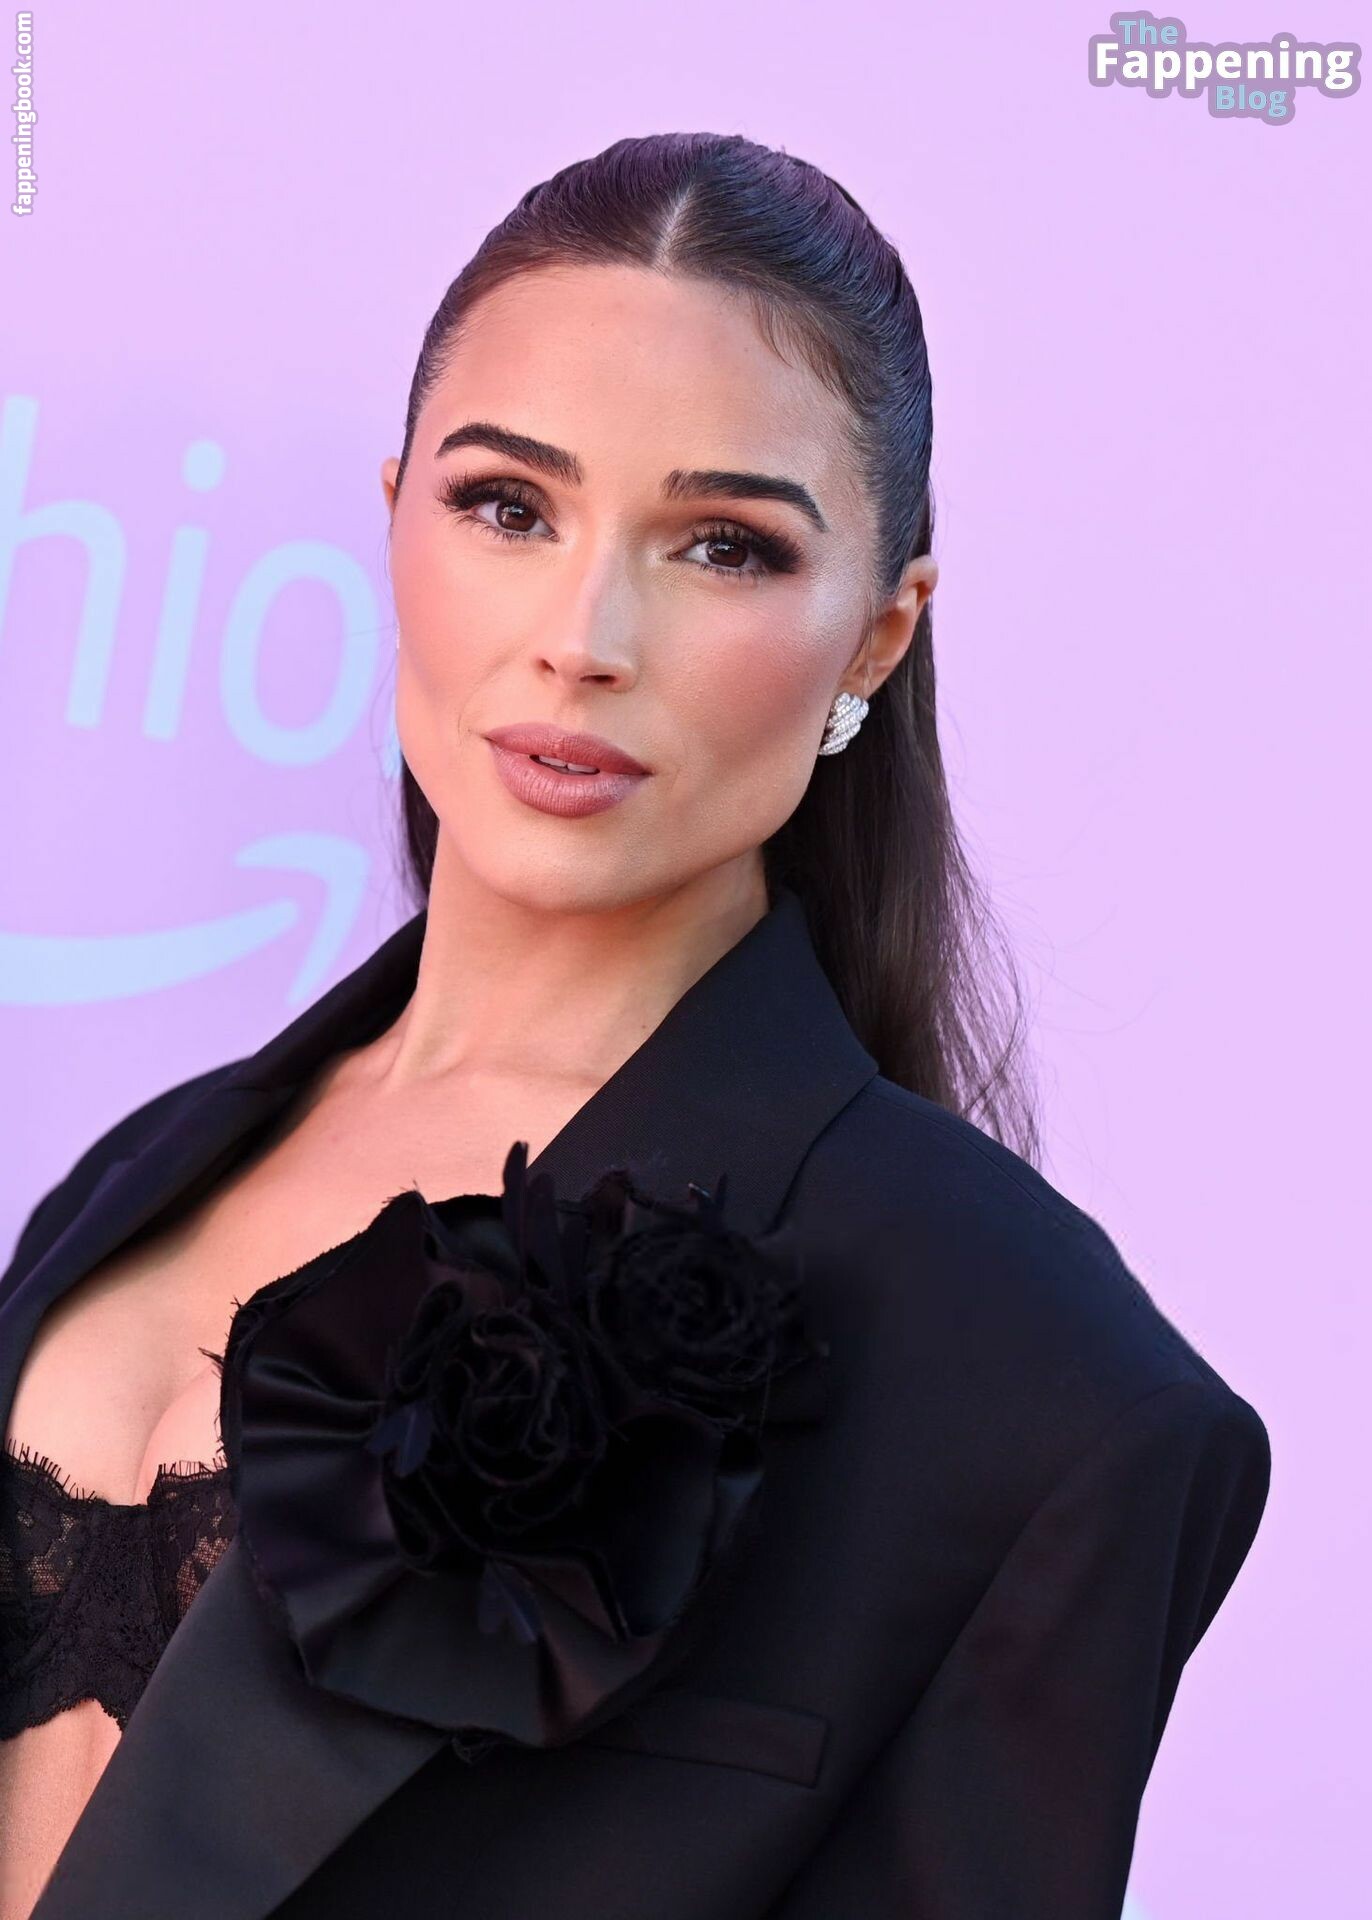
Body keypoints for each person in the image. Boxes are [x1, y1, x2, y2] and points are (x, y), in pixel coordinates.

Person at [0, 131, 1270, 1920]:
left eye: (724, 547)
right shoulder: (138, 1170)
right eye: (508, 507)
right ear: (394, 515)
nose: (583, 636)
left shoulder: (1050, 1401)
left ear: (878, 637)